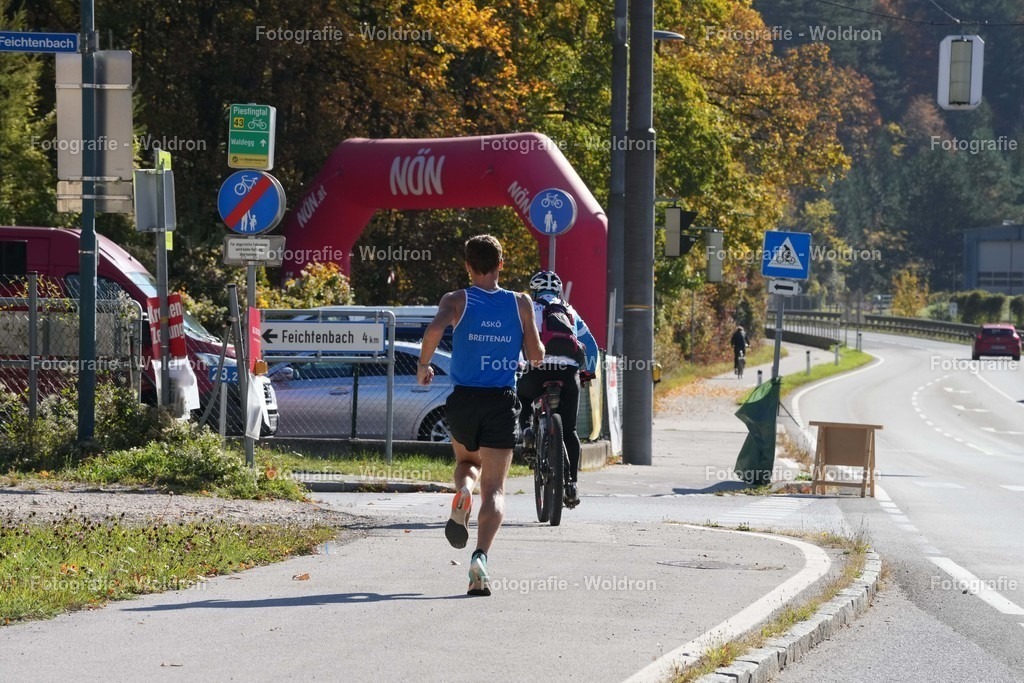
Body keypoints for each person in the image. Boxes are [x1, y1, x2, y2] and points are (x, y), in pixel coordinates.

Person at [417, 235, 544, 596]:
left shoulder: (456, 300)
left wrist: (424, 366)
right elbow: (535, 355)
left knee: (466, 463)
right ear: (501, 264)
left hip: (463, 400)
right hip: (501, 402)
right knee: (496, 489)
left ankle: (461, 494)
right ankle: (481, 559)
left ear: (468, 266)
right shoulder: (521, 303)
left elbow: (433, 330)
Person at [516, 270, 599, 509]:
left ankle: (527, 433)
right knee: (570, 430)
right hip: (568, 373)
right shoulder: (570, 311)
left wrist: (517, 365)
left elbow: (515, 340)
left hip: (537, 367)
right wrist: (588, 372)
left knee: (523, 396)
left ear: (534, 290)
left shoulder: (528, 307)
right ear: (558, 291)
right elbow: (590, 345)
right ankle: (571, 484)